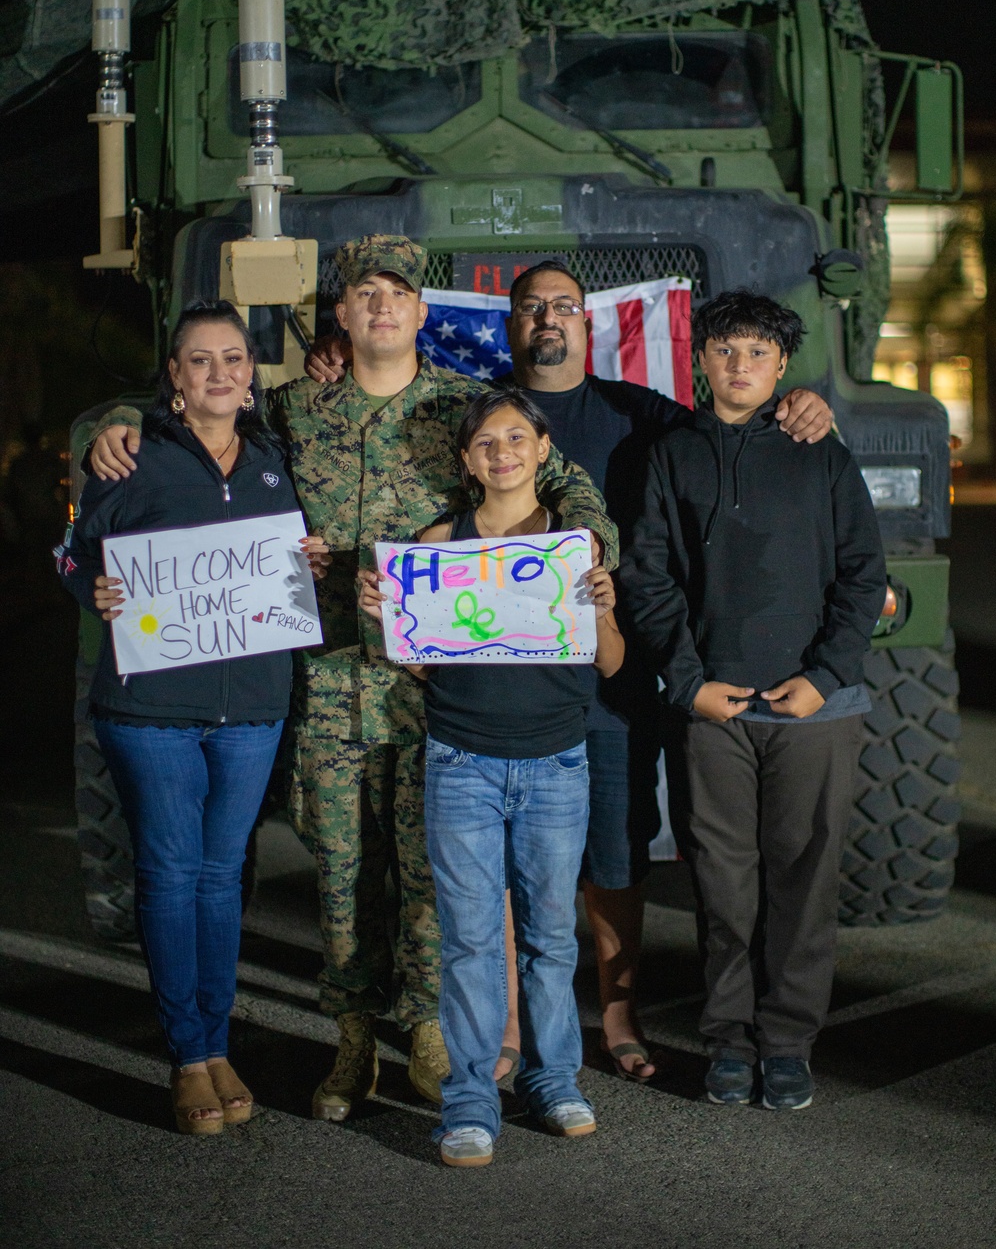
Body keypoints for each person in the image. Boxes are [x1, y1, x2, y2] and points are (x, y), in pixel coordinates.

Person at [87, 235, 618, 1122]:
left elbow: (568, 484)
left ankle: (429, 1033)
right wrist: (128, 423)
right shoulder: (292, 411)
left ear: (420, 313)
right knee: (339, 866)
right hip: (328, 680)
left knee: (431, 872)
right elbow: (204, 433)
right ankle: (350, 1034)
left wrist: (588, 549)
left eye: (397, 293)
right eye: (363, 293)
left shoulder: (463, 406)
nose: (380, 306)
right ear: (340, 314)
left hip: (437, 687)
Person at [308, 259, 835, 1082]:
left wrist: (805, 404)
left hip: (609, 678)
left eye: (564, 306)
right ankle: (512, 1025)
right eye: (530, 307)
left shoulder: (640, 412)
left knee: (614, 853)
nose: (547, 318)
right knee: (513, 858)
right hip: (502, 689)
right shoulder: (480, 413)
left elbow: (738, 419)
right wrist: (329, 355)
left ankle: (617, 1010)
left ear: (587, 326)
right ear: (510, 326)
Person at [57, 300, 329, 1134]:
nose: (221, 372)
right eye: (200, 360)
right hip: (152, 711)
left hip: (250, 707)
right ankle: (187, 1055)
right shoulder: (128, 457)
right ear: (174, 378)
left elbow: (284, 574)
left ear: (252, 375)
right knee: (172, 874)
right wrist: (87, 586)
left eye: (235, 359)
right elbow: (71, 551)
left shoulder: (275, 463)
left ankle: (217, 1043)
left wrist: (309, 561)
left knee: (220, 876)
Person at [620, 289, 886, 1110]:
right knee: (724, 884)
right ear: (701, 359)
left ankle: (789, 1043)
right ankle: (730, 1040)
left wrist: (828, 673)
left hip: (814, 709)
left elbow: (863, 575)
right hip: (715, 710)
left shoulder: (823, 454)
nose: (741, 367)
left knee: (803, 883)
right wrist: (689, 681)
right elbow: (650, 576)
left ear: (781, 367)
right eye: (726, 351)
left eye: (758, 355)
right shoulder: (671, 454)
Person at [360, 388, 624, 1167]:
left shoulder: (576, 545)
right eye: (485, 441)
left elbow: (610, 662)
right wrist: (387, 614)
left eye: (517, 436)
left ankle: (552, 1078)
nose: (502, 451)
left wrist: (604, 608)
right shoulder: (442, 542)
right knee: (472, 942)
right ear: (467, 458)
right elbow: (412, 660)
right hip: (463, 762)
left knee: (549, 937)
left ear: (543, 448)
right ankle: (471, 1100)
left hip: (556, 763)